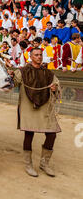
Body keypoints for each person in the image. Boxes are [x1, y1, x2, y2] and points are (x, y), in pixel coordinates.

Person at [10, 48, 61, 177]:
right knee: (29, 134)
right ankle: (28, 164)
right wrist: (10, 76)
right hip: (28, 107)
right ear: (31, 57)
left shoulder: (48, 73)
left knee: (52, 135)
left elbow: (57, 86)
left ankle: (44, 164)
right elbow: (13, 83)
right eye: (36, 55)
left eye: (40, 55)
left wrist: (54, 89)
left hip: (45, 108)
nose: (39, 57)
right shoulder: (22, 71)